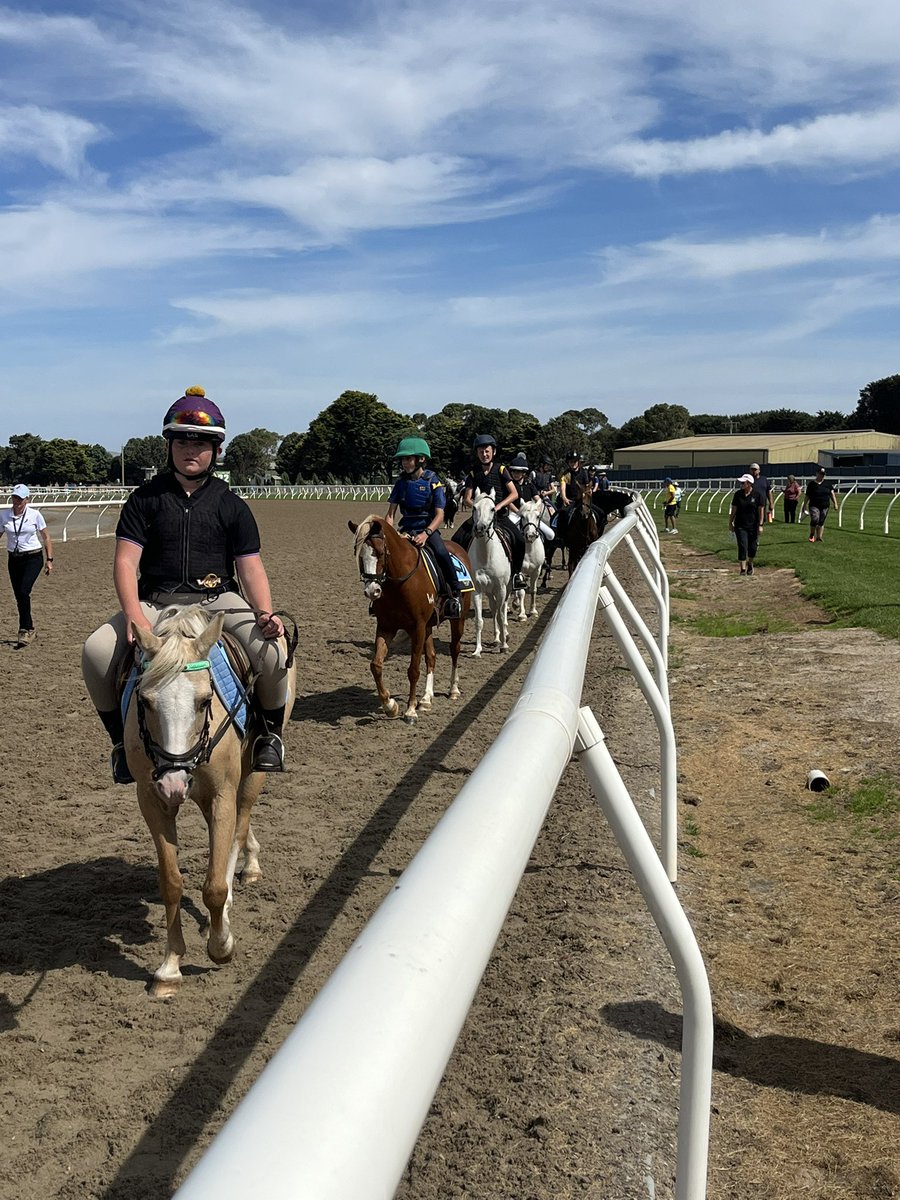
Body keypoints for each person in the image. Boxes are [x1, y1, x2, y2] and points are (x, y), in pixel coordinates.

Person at [82, 386, 291, 783]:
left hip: (217, 601)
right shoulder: (144, 500)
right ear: (169, 446)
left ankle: (269, 735)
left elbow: (250, 568)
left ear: (216, 450)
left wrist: (264, 612)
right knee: (95, 652)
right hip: (155, 602)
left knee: (274, 654)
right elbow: (126, 561)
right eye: (182, 441)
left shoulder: (233, 506)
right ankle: (120, 744)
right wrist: (131, 615)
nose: (190, 450)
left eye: (201, 442)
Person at [385, 437, 462, 618]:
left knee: (442, 552)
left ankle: (454, 594)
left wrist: (426, 534)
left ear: (421, 459)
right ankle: (381, 599)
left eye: (408, 459)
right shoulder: (400, 483)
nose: (405, 463)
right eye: (403, 459)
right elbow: (390, 514)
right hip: (406, 528)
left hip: (427, 529)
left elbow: (440, 515)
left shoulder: (433, 481)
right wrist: (390, 535)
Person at [456, 434, 526, 589]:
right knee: (455, 541)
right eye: (481, 451)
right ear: (477, 453)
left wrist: (499, 505)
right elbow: (467, 498)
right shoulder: (473, 473)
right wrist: (477, 506)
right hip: (479, 518)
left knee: (520, 540)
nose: (484, 454)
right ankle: (459, 576)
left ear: (493, 452)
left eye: (487, 451)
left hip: (499, 517)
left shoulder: (501, 469)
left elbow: (513, 493)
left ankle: (517, 574)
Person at [3, 483, 53, 647]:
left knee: (24, 590)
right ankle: (28, 628)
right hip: (14, 559)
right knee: (19, 596)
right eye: (14, 497)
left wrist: (49, 559)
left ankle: (25, 629)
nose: (16, 501)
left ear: (27, 499)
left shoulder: (35, 515)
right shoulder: (4, 515)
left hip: (33, 558)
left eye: (20, 498)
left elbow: (46, 537)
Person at [729, 473, 764, 575]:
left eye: (743, 482)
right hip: (740, 525)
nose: (741, 484)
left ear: (749, 483)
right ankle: (742, 569)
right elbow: (734, 510)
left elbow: (761, 511)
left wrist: (761, 525)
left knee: (752, 548)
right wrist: (730, 522)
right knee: (742, 546)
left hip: (753, 525)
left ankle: (750, 563)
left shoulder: (757, 495)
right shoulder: (738, 495)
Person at [805, 467, 838, 542]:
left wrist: (835, 503)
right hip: (814, 505)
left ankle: (819, 537)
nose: (822, 476)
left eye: (823, 474)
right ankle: (812, 534)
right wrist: (804, 506)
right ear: (817, 474)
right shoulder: (812, 484)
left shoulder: (828, 484)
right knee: (815, 519)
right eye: (820, 474)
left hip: (825, 505)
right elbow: (807, 496)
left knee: (821, 521)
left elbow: (832, 494)